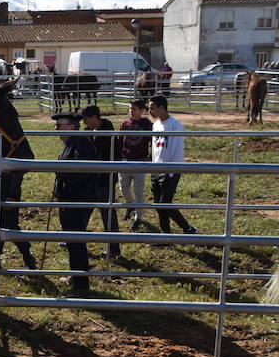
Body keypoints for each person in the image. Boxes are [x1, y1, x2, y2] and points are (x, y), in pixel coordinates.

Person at [52, 112, 99, 294]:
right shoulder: (72, 143)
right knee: (72, 239)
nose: (56, 129)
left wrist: (62, 175)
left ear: (71, 127)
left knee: (76, 240)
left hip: (78, 199)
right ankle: (76, 275)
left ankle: (81, 284)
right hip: (70, 199)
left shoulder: (81, 144)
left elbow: (81, 172)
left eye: (59, 125)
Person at [149, 95, 198, 238]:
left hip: (170, 170)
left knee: (165, 203)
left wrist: (173, 170)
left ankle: (186, 228)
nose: (150, 111)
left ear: (161, 107)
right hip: (156, 169)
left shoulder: (175, 125)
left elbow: (177, 150)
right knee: (159, 205)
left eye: (152, 108)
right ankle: (167, 234)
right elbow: (155, 149)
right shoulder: (155, 125)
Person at [81, 105, 121, 258]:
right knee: (83, 210)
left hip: (104, 179)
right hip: (91, 179)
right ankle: (75, 239)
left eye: (85, 119)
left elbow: (113, 156)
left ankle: (114, 248)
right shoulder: (88, 132)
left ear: (93, 117)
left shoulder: (109, 134)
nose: (84, 123)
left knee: (108, 213)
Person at [119, 99, 152, 231]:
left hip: (140, 161)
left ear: (141, 110)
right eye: (130, 108)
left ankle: (138, 217)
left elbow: (153, 140)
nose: (131, 111)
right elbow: (119, 140)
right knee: (123, 188)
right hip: (125, 160)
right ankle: (130, 205)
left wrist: (150, 157)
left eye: (134, 109)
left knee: (138, 190)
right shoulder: (125, 123)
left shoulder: (146, 124)